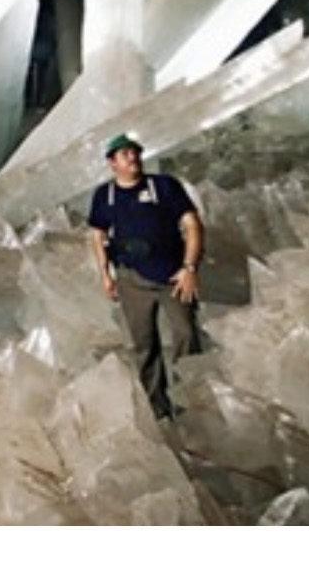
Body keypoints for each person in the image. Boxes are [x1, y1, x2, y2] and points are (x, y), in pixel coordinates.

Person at [88, 133, 204, 420]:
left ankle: (190, 405)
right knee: (143, 344)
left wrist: (189, 269)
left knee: (186, 335)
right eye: (125, 154)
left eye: (135, 152)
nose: (133, 157)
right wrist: (105, 273)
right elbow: (98, 234)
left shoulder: (163, 186)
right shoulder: (105, 195)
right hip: (131, 279)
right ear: (112, 163)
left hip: (172, 276)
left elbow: (192, 225)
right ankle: (158, 409)